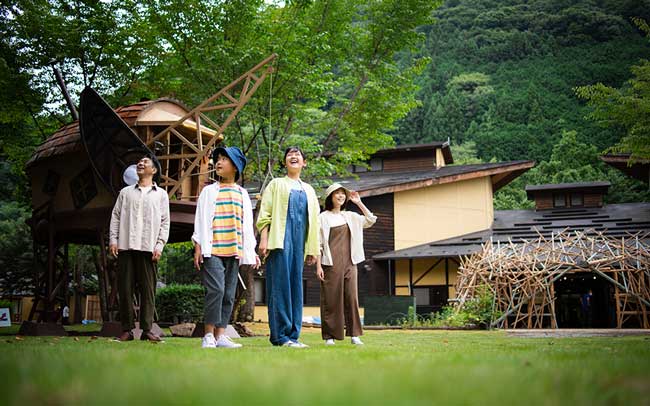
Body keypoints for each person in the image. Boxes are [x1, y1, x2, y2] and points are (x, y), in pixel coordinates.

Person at [192, 146, 260, 349]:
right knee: (216, 289)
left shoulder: (242, 194)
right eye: (217, 159)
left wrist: (251, 251)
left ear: (235, 166)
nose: (218, 163)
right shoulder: (209, 191)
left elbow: (247, 225)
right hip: (212, 249)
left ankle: (221, 335)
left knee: (229, 293)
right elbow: (200, 220)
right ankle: (208, 335)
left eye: (223, 159)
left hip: (235, 250)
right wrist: (198, 245)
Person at [257, 147, 320, 348]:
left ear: (304, 162)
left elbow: (315, 222)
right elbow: (265, 213)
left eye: (298, 154)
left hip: (299, 244)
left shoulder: (309, 190)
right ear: (285, 162)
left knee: (296, 287)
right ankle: (280, 336)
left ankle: (294, 335)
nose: (293, 156)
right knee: (280, 286)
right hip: (279, 242)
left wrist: (313, 249)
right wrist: (264, 239)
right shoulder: (276, 184)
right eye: (289, 155)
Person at [110, 155, 169, 342]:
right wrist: (113, 240)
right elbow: (116, 217)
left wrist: (160, 244)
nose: (140, 164)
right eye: (139, 162)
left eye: (145, 162)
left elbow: (165, 222)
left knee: (148, 290)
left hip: (149, 248)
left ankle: (147, 329)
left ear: (154, 170)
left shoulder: (161, 194)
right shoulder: (125, 193)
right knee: (125, 289)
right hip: (126, 246)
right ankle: (126, 330)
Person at [316, 183, 376, 345]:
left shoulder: (351, 216)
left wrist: (358, 202)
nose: (341, 196)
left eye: (343, 193)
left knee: (351, 297)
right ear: (330, 197)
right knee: (331, 299)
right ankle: (330, 336)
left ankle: (354, 334)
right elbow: (318, 243)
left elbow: (371, 220)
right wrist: (318, 266)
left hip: (351, 262)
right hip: (330, 263)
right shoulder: (322, 217)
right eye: (337, 193)